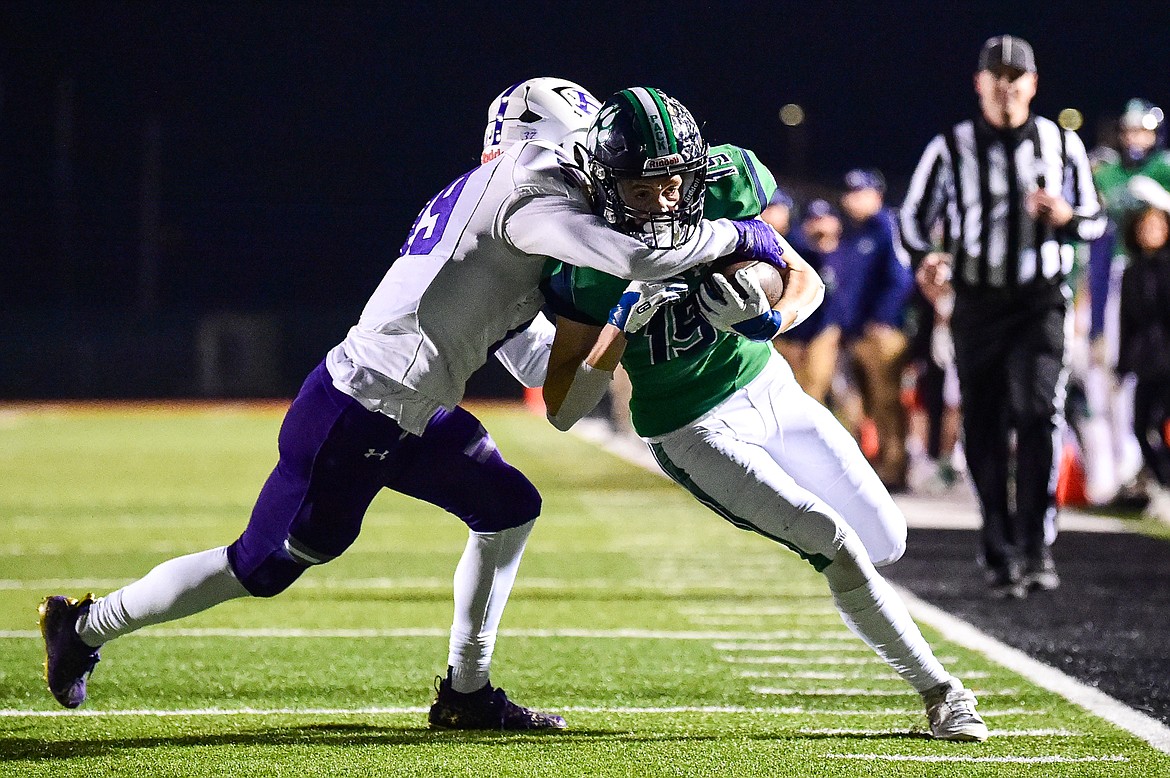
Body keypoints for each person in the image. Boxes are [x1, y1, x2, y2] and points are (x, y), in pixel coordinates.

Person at [37, 77, 792, 728]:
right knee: (261, 566)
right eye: (594, 155)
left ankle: (467, 693)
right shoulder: (531, 191)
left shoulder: (506, 206)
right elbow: (637, 254)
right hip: (360, 408)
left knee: (508, 506)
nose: (599, 171)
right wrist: (742, 234)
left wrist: (606, 335)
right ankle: (85, 625)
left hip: (413, 406)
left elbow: (520, 347)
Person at [541, 86, 988, 742]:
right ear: (609, 187)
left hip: (773, 391)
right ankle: (941, 694)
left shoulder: (728, 192)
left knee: (886, 540)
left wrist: (767, 313)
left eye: (673, 185)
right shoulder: (588, 259)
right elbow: (561, 410)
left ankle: (877, 616)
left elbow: (803, 278)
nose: (663, 203)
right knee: (830, 539)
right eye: (641, 190)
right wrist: (617, 328)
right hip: (694, 429)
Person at [900, 36, 1105, 598]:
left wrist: (1065, 215)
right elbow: (914, 217)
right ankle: (997, 540)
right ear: (980, 83)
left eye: (1018, 78)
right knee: (984, 422)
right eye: (998, 77)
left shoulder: (1060, 142)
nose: (1008, 87)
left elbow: (1093, 219)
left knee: (1038, 413)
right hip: (978, 303)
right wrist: (927, 259)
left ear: (1033, 85)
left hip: (1040, 299)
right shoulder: (951, 145)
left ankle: (1036, 543)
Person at [1081, 100, 1170, 506]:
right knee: (1111, 379)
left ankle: (1143, 469)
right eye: (1130, 131)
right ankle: (1123, 472)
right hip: (1118, 282)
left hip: (1159, 283)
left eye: (1143, 132)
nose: (1136, 140)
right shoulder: (1108, 173)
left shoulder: (1163, 168)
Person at [829, 169, 915, 490]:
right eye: (849, 192)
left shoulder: (886, 227)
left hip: (882, 333)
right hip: (857, 333)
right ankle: (876, 466)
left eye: (860, 192)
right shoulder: (855, 233)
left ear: (876, 194)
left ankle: (895, 468)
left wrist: (884, 318)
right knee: (863, 403)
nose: (851, 199)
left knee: (887, 401)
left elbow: (901, 278)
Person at [1116, 188, 1170, 522]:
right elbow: (1127, 322)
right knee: (1140, 427)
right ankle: (1163, 484)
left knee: (1161, 425)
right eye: (1144, 227)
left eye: (1156, 225)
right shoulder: (1132, 272)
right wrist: (1122, 365)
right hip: (1146, 362)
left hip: (1169, 361)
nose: (1150, 232)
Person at [773, 199, 841, 403]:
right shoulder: (797, 250)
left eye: (824, 219)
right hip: (792, 332)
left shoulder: (848, 250)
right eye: (814, 220)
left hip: (829, 334)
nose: (820, 225)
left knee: (822, 395)